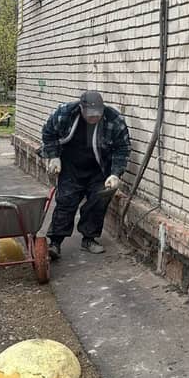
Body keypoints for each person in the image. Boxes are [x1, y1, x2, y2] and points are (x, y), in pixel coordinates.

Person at [41, 91, 131, 260]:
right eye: (90, 114)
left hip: (99, 168)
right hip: (71, 165)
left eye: (97, 114)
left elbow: (122, 148)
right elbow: (48, 133)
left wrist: (115, 174)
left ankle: (89, 239)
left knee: (99, 200)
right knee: (66, 201)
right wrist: (53, 156)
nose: (94, 117)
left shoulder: (114, 119)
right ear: (81, 108)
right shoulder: (65, 113)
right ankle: (55, 242)